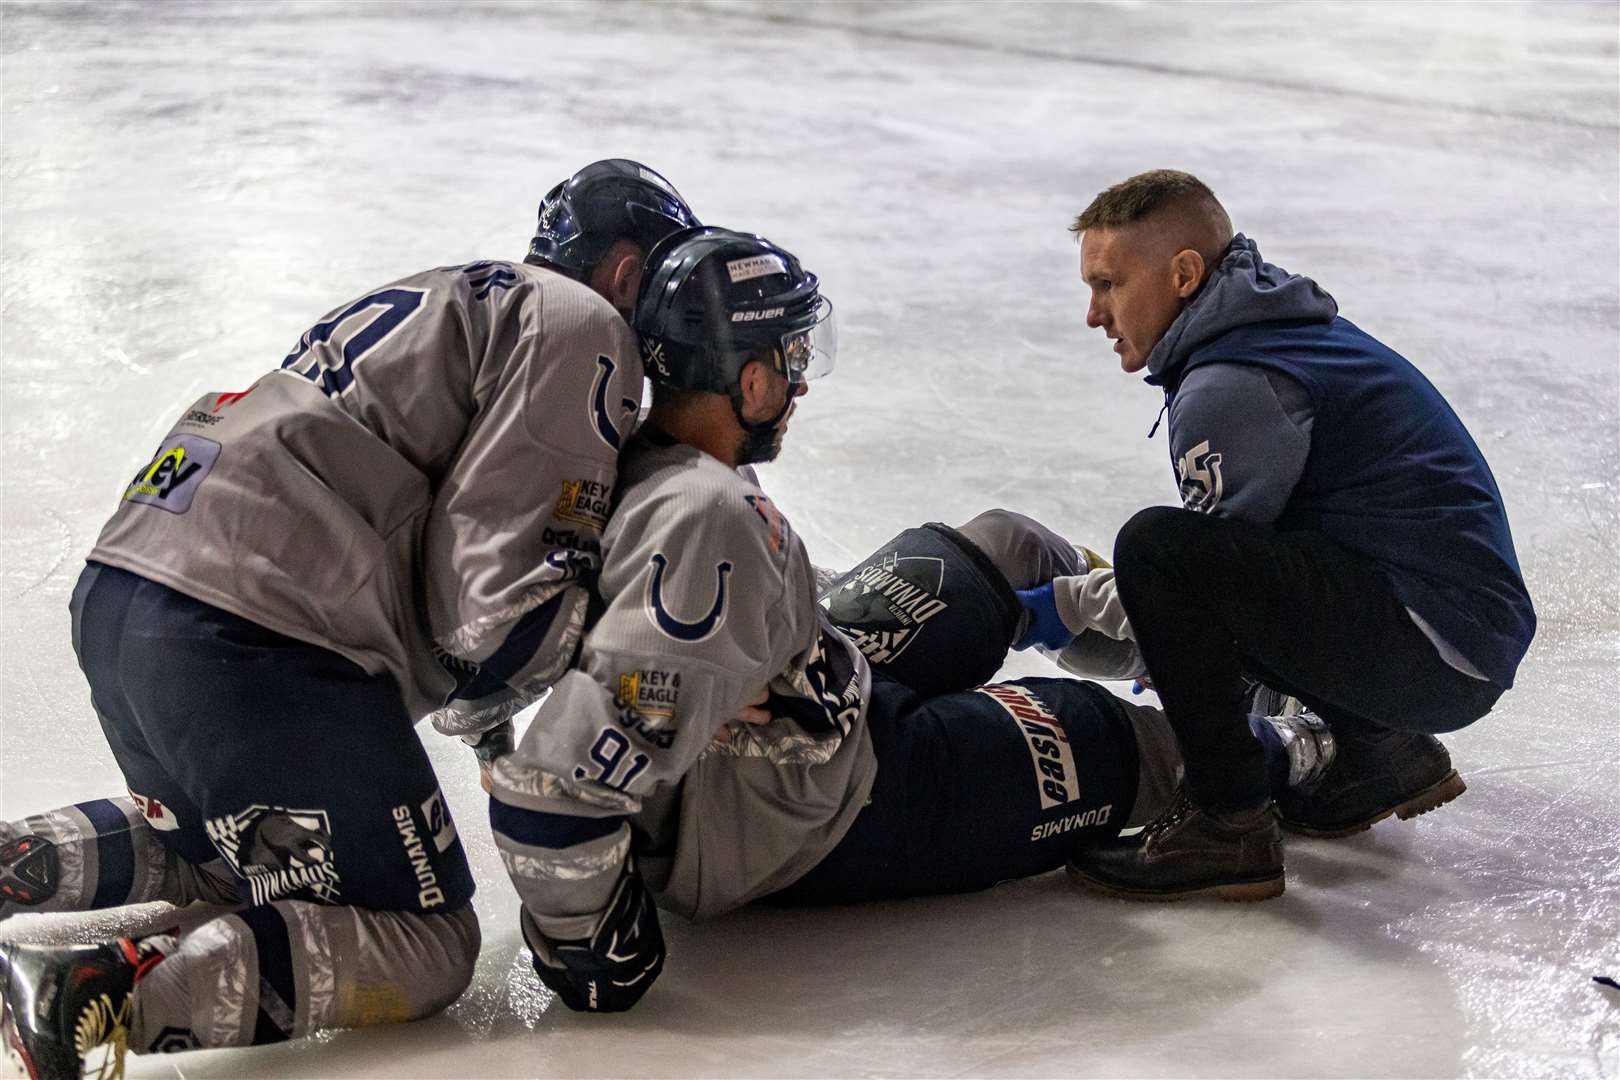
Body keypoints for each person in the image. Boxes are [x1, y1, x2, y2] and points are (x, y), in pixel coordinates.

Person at [484, 226, 1336, 1013]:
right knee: (1129, 744)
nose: (803, 377)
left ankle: (1191, 650)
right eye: (790, 354)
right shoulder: (712, 520)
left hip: (819, 696)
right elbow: (555, 790)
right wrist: (587, 946)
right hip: (808, 810)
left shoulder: (635, 456)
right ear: (748, 380)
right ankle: (1324, 747)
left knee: (1005, 547)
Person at [0, 159, 698, 1078]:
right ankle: (89, 995)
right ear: (622, 272)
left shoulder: (466, 292)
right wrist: (615, 648)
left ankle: (16, 859)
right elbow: (485, 612)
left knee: (227, 858)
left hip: (133, 585)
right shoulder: (586, 326)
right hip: (259, 634)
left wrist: (493, 718)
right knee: (428, 941)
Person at [1053, 169, 1535, 902]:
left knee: (1158, 548)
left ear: (1184, 274)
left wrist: (1060, 606)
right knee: (1233, 569)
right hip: (1457, 636)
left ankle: (1227, 824)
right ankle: (1380, 755)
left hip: (1434, 650)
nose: (1094, 313)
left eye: (1109, 284)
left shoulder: (1231, 381)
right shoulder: (1277, 332)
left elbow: (1199, 594)